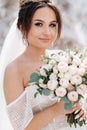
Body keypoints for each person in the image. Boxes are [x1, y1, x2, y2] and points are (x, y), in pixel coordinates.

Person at [1, 0, 87, 130]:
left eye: (52, 25)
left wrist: (78, 108)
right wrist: (55, 110)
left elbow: (72, 101)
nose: (47, 32)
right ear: (22, 27)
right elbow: (21, 128)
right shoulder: (14, 70)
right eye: (39, 24)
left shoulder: (62, 59)